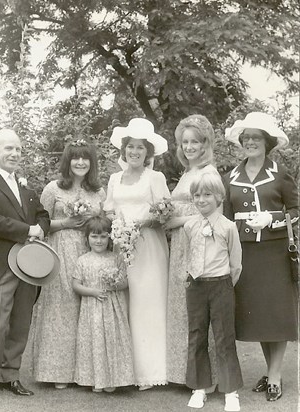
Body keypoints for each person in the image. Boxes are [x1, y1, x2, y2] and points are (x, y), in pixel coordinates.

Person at [0, 129, 50, 403]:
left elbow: (42, 215)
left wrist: (40, 228)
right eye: (8, 149)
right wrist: (29, 229)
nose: (14, 154)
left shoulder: (26, 189)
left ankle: (11, 375)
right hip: (0, 265)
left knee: (20, 322)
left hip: (28, 266)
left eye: (18, 149)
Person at [223, 112, 298, 402]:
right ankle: (270, 371)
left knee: (276, 314)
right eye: (247, 138)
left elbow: (296, 209)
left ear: (267, 142)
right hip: (245, 253)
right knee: (260, 317)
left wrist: (272, 218)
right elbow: (226, 219)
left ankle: (276, 376)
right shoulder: (229, 177)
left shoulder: (280, 173)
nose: (251, 142)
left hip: (274, 251)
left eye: (256, 137)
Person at [29, 140, 106, 388]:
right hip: (60, 250)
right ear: (68, 161)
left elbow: (103, 227)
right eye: (75, 158)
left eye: (85, 158)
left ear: (91, 162)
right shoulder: (53, 189)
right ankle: (57, 373)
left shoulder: (99, 192)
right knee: (61, 309)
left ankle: (85, 372)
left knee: (86, 309)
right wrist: (66, 223)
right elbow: (40, 223)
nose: (80, 162)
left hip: (88, 253)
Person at [103, 118, 169, 390]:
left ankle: (152, 371)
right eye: (131, 147)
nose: (135, 152)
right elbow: (108, 209)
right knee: (125, 303)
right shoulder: (114, 178)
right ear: (124, 149)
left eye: (141, 148)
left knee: (148, 304)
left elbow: (165, 213)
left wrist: (140, 224)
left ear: (148, 152)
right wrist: (117, 226)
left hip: (149, 247)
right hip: (121, 246)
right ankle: (126, 370)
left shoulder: (155, 178)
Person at [163, 114, 218, 385]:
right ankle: (183, 374)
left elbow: (210, 212)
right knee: (181, 307)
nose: (189, 147)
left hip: (197, 242)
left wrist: (177, 220)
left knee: (196, 309)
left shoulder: (208, 172)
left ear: (205, 143)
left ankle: (203, 378)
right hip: (181, 244)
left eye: (195, 141)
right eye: (185, 142)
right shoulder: (188, 172)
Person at [184, 172, 243, 412]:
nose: (201, 199)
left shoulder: (228, 227)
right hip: (196, 285)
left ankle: (231, 391)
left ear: (219, 197)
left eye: (207, 194)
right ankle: (199, 388)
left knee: (224, 337)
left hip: (221, 284)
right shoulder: (190, 225)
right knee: (196, 335)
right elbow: (189, 255)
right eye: (197, 195)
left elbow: (236, 263)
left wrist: (224, 284)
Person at [72, 215, 134, 392]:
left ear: (110, 238)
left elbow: (126, 282)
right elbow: (76, 285)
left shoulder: (116, 258)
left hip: (113, 309)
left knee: (113, 342)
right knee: (95, 342)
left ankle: (112, 379)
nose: (98, 241)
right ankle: (95, 379)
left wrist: (115, 283)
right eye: (94, 236)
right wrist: (93, 292)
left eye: (103, 236)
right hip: (92, 310)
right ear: (87, 238)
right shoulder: (83, 260)